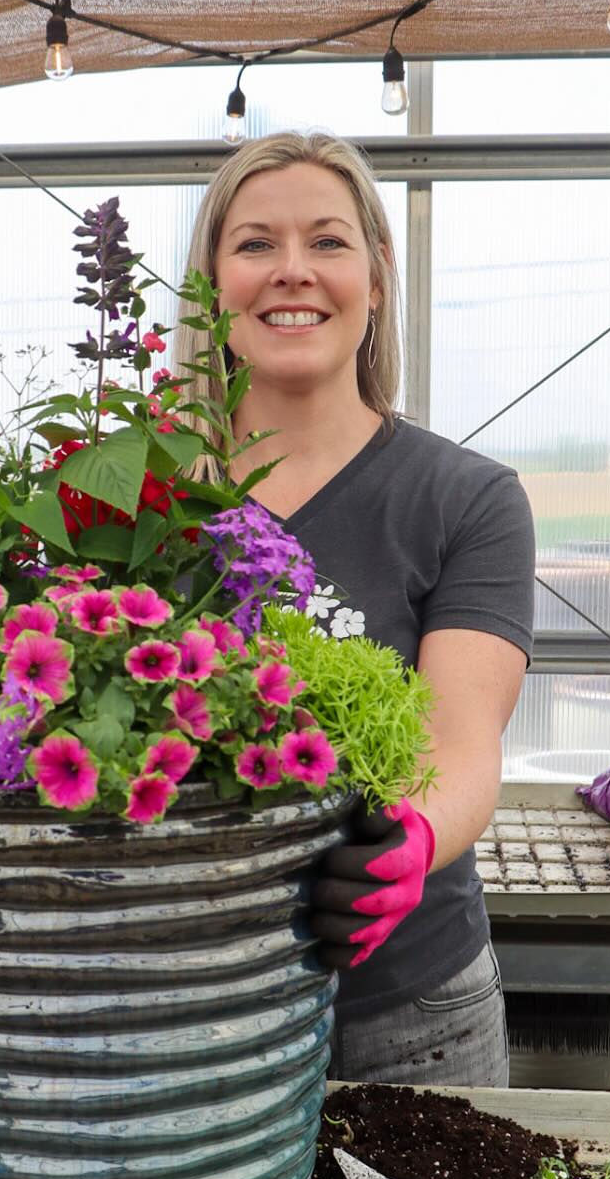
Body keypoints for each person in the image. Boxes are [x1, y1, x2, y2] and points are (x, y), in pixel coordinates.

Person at [174, 130, 535, 1087]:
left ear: (377, 280)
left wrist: (411, 841)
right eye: (255, 245)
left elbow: (458, 736)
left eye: (328, 243)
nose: (293, 272)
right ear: (210, 285)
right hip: (180, 1002)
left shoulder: (465, 498)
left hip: (411, 1010)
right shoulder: (129, 502)